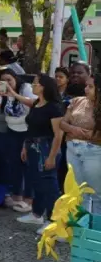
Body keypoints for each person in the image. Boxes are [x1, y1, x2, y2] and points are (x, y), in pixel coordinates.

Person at [18, 74, 64, 227]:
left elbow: (58, 135)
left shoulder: (54, 107)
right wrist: (25, 146)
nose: (33, 85)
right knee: (36, 182)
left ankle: (54, 220)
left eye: (36, 83)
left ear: (44, 86)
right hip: (32, 146)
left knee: (50, 185)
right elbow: (31, 128)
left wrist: (51, 157)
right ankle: (37, 213)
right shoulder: (37, 103)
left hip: (46, 148)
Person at [0, 70, 35, 213]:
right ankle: (17, 196)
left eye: (9, 79)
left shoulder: (25, 87)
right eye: (3, 80)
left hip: (27, 131)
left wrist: (14, 94)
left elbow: (34, 103)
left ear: (16, 79)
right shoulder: (3, 92)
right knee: (14, 164)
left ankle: (29, 199)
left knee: (28, 164)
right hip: (12, 130)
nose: (7, 83)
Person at [60, 74, 101, 212]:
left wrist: (91, 135)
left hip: (94, 151)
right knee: (78, 192)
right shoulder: (77, 101)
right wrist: (73, 129)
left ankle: (95, 230)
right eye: (86, 86)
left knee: (96, 193)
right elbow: (62, 123)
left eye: (91, 86)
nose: (86, 89)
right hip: (72, 149)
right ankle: (80, 228)